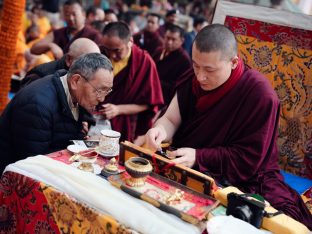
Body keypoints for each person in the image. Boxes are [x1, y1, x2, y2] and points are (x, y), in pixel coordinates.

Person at [142, 24, 312, 229]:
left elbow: (249, 159)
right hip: (184, 161)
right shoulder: (193, 79)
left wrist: (199, 157)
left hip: (243, 175)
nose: (200, 76)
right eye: (196, 65)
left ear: (233, 62)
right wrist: (159, 129)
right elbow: (170, 120)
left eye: (209, 70)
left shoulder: (259, 94)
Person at [0, 53, 113, 173]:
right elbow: (33, 162)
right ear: (75, 80)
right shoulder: (37, 104)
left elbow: (63, 136)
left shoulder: (73, 92)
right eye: (99, 90)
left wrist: (87, 143)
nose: (102, 99)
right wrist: (82, 149)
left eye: (107, 91)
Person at [99, 21, 164, 142]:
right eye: (108, 49)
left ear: (130, 41)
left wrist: (118, 109)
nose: (111, 55)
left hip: (125, 124)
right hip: (96, 120)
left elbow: (149, 104)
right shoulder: (100, 53)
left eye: (117, 50)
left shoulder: (144, 62)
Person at [31, 0, 102, 59]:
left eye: (74, 14)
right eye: (67, 14)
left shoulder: (94, 35)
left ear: (83, 14)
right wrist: (51, 45)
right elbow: (34, 49)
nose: (71, 18)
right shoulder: (59, 33)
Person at [22, 38, 101, 86]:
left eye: (95, 65)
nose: (92, 70)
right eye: (87, 64)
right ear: (69, 60)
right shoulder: (41, 76)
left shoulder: (84, 79)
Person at [153, 24, 192, 106]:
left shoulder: (184, 59)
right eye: (167, 38)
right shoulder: (159, 51)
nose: (169, 42)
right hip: (151, 91)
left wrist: (155, 82)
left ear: (181, 41)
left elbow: (179, 86)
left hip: (165, 99)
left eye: (173, 39)